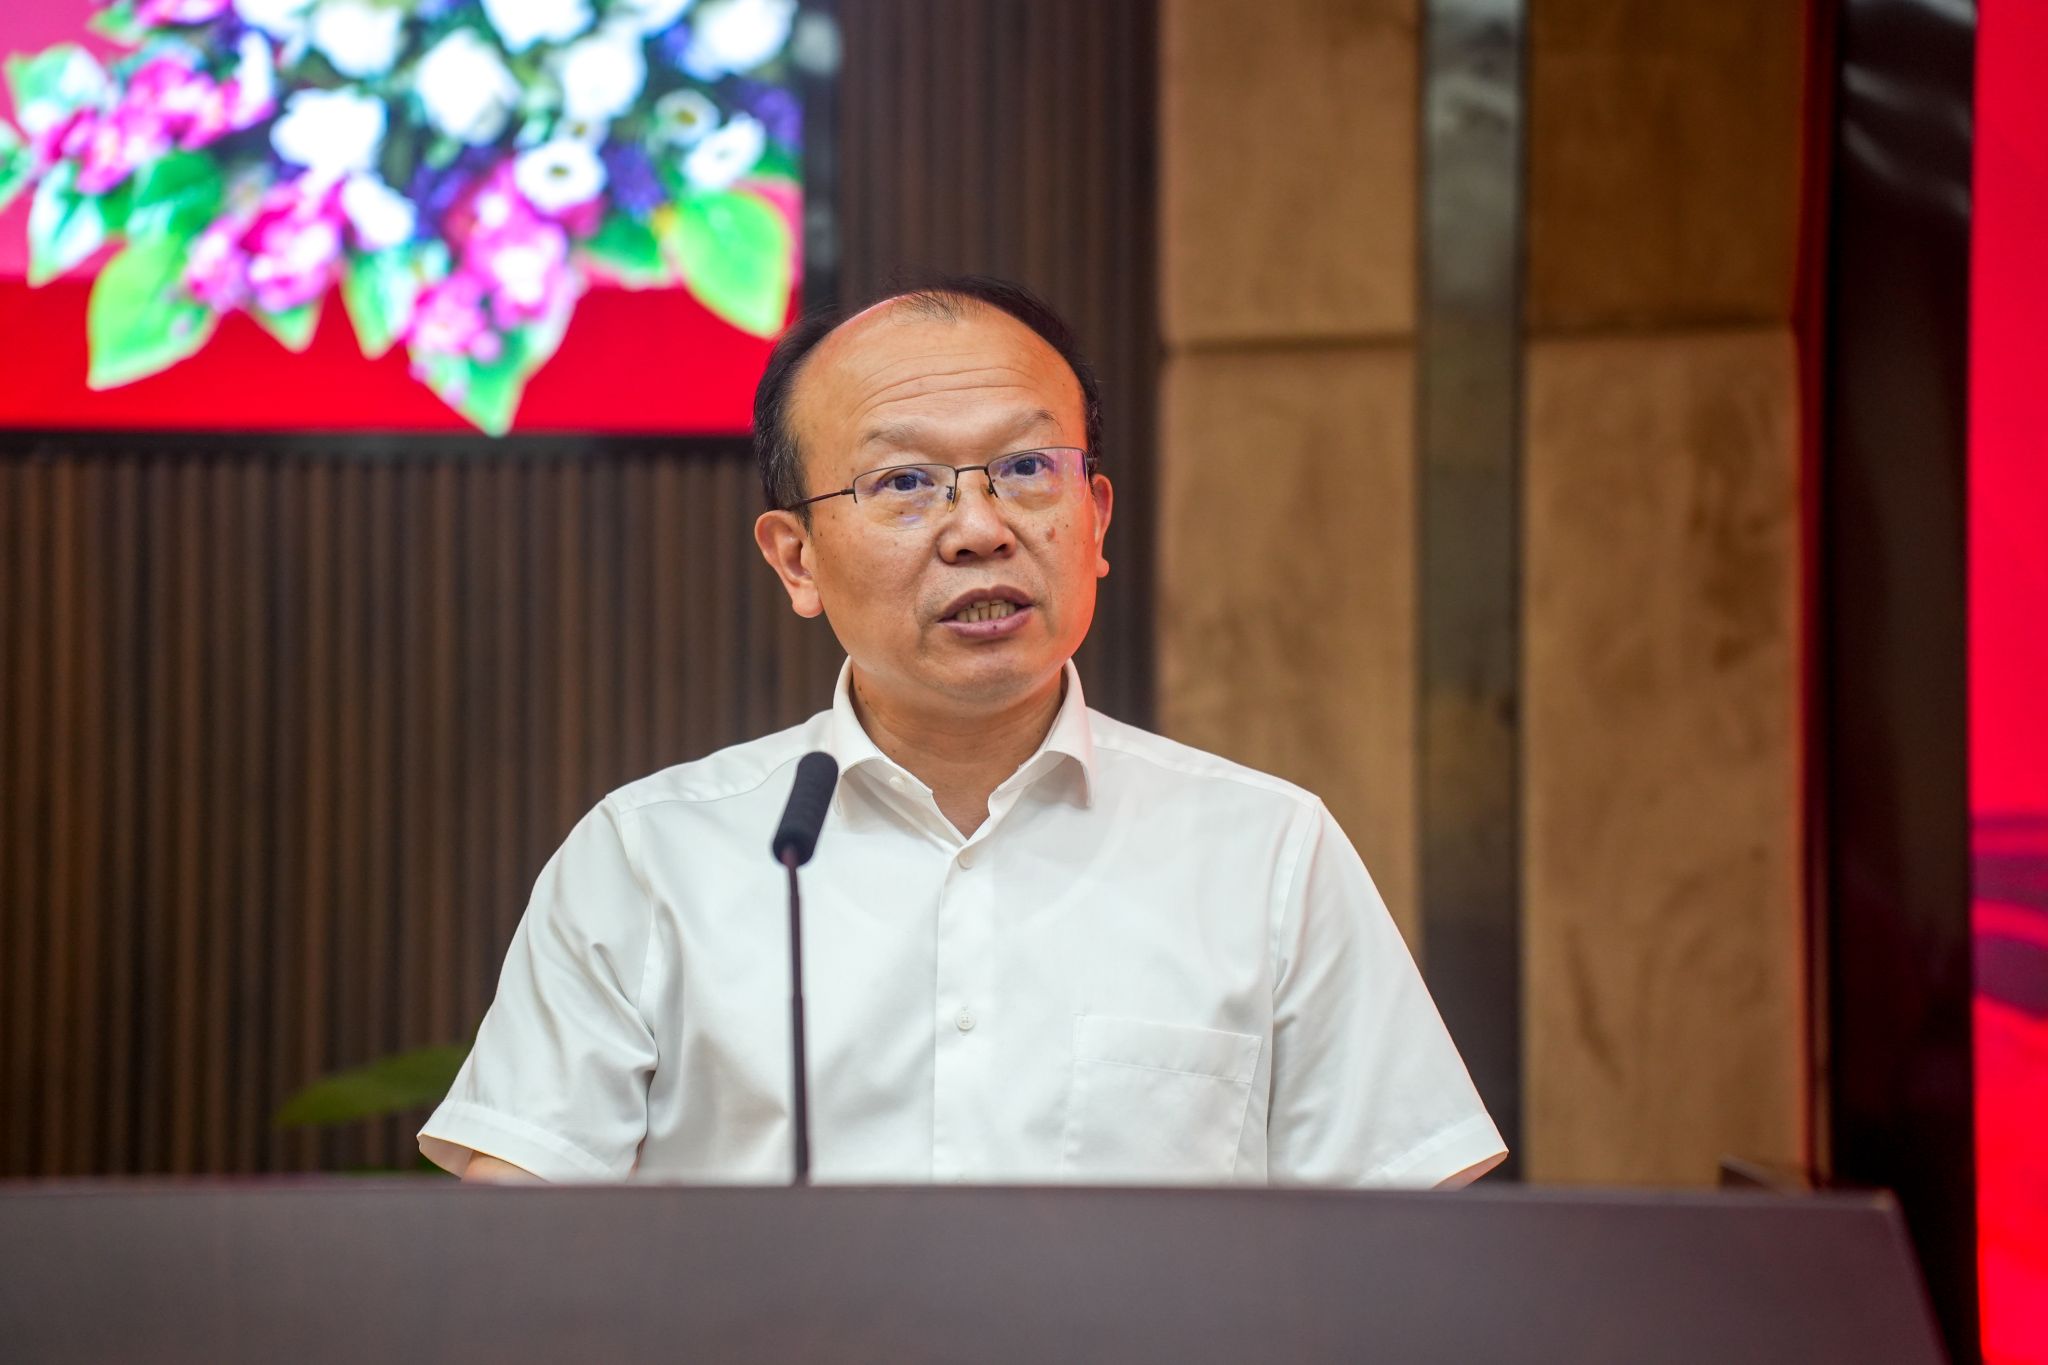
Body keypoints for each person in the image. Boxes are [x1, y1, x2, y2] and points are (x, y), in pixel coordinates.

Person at [419, 276, 1505, 1188]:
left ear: (1096, 520)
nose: (980, 529)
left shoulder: (1266, 851)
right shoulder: (649, 856)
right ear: (795, 559)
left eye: (1027, 469)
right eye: (904, 482)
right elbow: (518, 1261)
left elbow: (1408, 1256)